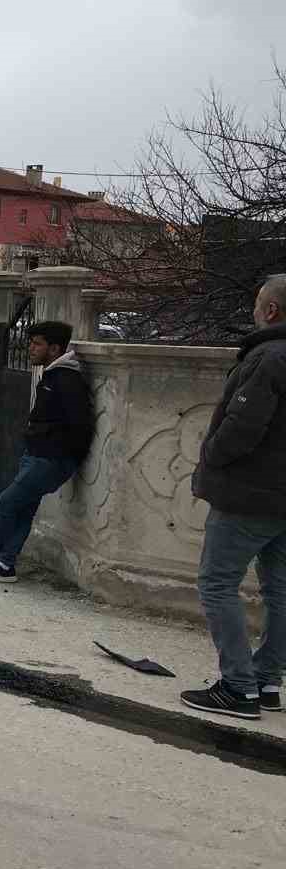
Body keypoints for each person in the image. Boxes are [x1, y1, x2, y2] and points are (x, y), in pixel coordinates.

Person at [182, 275, 286, 721]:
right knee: (280, 590)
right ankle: (266, 682)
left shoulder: (270, 358)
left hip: (248, 494)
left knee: (216, 583)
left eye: (257, 302)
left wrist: (210, 456)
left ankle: (238, 687)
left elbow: (242, 427)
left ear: (272, 311)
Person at [0, 320, 93, 584]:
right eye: (31, 342)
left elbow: (81, 426)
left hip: (49, 459)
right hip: (37, 455)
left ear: (54, 348)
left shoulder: (67, 379)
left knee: (8, 503)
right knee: (22, 509)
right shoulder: (53, 375)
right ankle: (2, 563)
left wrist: (61, 457)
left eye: (37, 344)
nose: (30, 348)